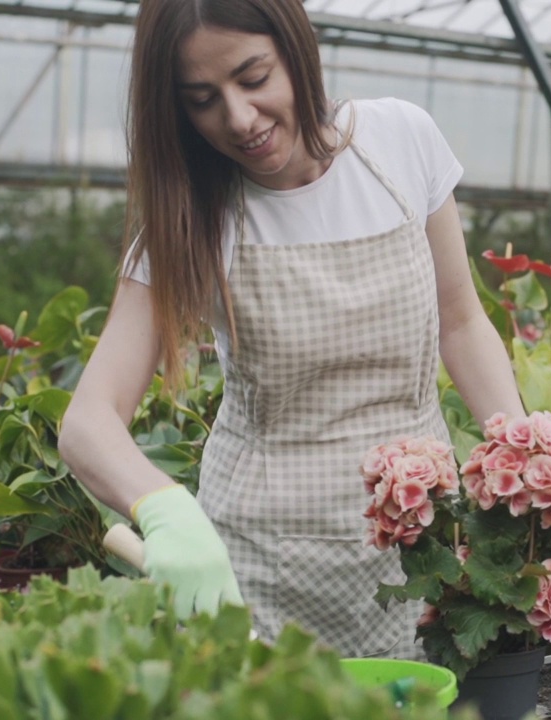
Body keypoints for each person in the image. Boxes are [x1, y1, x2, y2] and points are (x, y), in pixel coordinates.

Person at [58, 0, 524, 660]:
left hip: (418, 556)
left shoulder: (399, 143)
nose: (239, 119)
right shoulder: (194, 214)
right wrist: (164, 509)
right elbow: (88, 421)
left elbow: (462, 323)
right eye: (202, 99)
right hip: (261, 567)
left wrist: (525, 455)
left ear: (297, 49)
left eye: (253, 78)